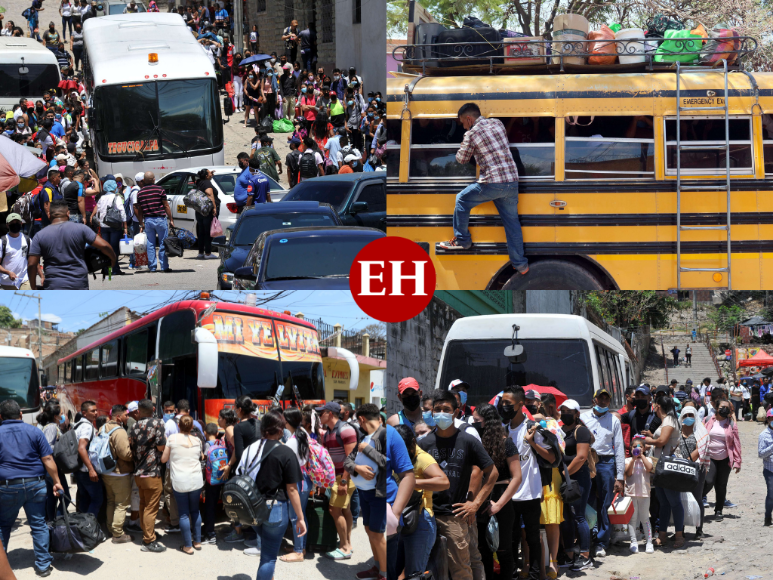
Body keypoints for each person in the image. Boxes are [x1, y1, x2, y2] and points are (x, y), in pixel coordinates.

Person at [437, 102, 528, 275]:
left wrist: (466, 140)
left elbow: (461, 159)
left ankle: (462, 240)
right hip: (512, 180)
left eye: (463, 123)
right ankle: (521, 264)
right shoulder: (497, 123)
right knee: (512, 223)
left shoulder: (471, 134)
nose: (463, 126)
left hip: (493, 182)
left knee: (462, 199)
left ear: (469, 119)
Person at [418, 389, 497, 580]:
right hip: (427, 513)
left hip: (454, 516)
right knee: (430, 568)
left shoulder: (467, 440)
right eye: (437, 409)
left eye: (446, 409)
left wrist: (475, 504)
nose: (441, 413)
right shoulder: (424, 443)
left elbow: (492, 473)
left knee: (461, 569)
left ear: (455, 412)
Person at [237, 410, 306, 580]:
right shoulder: (285, 452)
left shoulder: (250, 449)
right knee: (269, 557)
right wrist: (300, 517)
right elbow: (292, 490)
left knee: (267, 550)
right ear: (281, 430)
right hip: (275, 509)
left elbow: (239, 474)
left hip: (251, 508)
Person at [0, 400, 64, 578]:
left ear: (0, 417)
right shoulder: (34, 431)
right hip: (35, 485)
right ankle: (43, 565)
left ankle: (2, 566)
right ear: (20, 415)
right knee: (38, 525)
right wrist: (57, 481)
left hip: (7, 487)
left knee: (3, 526)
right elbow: (48, 459)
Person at [472, 403, 521, 580]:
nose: (473, 423)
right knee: (482, 551)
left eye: (477, 420)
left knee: (504, 550)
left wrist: (499, 505)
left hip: (501, 498)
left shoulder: (506, 443)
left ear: (487, 421)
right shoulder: (475, 441)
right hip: (480, 498)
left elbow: (517, 478)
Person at [392, 422, 448, 579]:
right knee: (393, 570)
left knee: (414, 574)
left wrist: (412, 482)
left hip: (420, 521)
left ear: (412, 444)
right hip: (399, 518)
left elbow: (444, 482)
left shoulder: (422, 458)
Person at [28, 199, 115, 289]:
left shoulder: (39, 235)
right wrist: (113, 260)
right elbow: (105, 246)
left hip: (54, 286)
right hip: (78, 285)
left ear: (49, 215)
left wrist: (33, 286)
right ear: (68, 213)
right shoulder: (81, 229)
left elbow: (31, 264)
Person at [581, 388, 625, 558]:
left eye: (606, 399)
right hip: (587, 461)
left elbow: (619, 448)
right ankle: (588, 539)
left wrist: (619, 477)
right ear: (594, 400)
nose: (603, 402)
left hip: (606, 463)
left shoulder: (614, 420)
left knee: (605, 504)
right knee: (587, 502)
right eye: (600, 399)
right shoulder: (583, 418)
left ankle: (601, 542)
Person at [343, 404, 387, 574]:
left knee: (377, 533)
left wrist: (367, 450)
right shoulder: (363, 437)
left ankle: (384, 573)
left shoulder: (384, 435)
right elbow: (348, 462)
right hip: (364, 493)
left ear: (361, 419)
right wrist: (358, 469)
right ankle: (377, 566)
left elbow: (388, 462)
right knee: (369, 530)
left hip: (378, 495)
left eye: (358, 421)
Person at [641, 395, 684, 548]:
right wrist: (651, 438)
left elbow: (662, 441)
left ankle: (679, 535)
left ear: (658, 405)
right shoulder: (664, 421)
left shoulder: (670, 420)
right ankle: (663, 534)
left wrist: (646, 441)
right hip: (659, 466)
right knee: (664, 503)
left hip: (669, 467)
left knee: (674, 502)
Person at [316, 401, 357, 560]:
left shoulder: (346, 430)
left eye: (322, 413)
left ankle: (345, 547)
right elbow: (327, 460)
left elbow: (350, 458)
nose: (319, 417)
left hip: (343, 478)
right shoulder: (327, 433)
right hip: (335, 477)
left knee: (335, 510)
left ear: (330, 414)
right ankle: (348, 543)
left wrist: (344, 482)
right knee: (344, 509)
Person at [128, 398, 167, 553]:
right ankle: (149, 541)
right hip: (152, 472)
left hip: (138, 473)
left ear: (139, 410)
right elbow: (161, 446)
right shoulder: (158, 423)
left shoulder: (134, 425)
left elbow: (131, 446)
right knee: (151, 508)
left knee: (144, 506)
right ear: (152, 409)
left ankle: (147, 533)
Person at [558, 399, 594, 571]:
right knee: (566, 517)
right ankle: (569, 554)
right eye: (562, 410)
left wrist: (565, 473)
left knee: (578, 516)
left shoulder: (582, 431)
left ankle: (585, 555)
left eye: (568, 411)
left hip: (578, 477)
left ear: (577, 414)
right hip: (564, 479)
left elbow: (581, 457)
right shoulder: (559, 430)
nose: (565, 413)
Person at [160, 415, 204, 555]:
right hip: (196, 479)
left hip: (180, 480)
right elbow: (201, 456)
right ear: (192, 427)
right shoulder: (197, 440)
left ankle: (188, 546)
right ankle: (197, 542)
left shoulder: (172, 439)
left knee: (183, 514)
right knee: (195, 511)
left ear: (179, 425)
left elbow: (164, 459)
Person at [222, 395, 261, 547]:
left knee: (238, 501)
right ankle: (255, 532)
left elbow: (239, 453)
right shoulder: (259, 423)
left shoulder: (239, 427)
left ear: (239, 409)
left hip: (245, 470)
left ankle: (238, 532)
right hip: (260, 468)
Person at [277, 408, 313, 562]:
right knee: (301, 513)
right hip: (305, 478)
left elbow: (287, 462)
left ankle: (298, 552)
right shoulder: (302, 433)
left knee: (296, 516)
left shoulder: (292, 441)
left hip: (298, 480)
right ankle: (301, 547)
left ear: (287, 421)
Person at [703, 398, 742, 522]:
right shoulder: (708, 420)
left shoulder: (731, 424)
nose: (725, 410)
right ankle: (697, 501)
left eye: (727, 408)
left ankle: (718, 510)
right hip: (710, 457)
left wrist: (737, 461)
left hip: (725, 459)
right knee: (708, 481)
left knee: (721, 485)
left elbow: (736, 443)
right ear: (716, 408)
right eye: (722, 407)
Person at [101, 404, 134, 544]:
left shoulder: (103, 427)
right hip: (119, 473)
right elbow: (125, 454)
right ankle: (118, 534)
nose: (128, 417)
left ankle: (110, 527)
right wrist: (134, 453)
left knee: (111, 501)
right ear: (118, 416)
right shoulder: (119, 431)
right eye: (126, 415)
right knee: (121, 504)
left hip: (106, 471)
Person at [679, 402, 710, 538]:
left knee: (697, 498)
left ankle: (699, 529)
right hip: (680, 469)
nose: (688, 417)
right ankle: (681, 530)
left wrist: (686, 460)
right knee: (681, 499)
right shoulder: (678, 432)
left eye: (691, 415)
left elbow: (700, 450)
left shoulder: (701, 432)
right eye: (685, 415)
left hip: (697, 469)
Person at [36, 402, 71, 522]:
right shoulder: (51, 427)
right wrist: (61, 447)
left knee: (52, 498)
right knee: (65, 497)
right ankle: (59, 521)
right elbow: (47, 447)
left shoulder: (50, 426)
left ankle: (52, 522)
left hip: (50, 468)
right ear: (55, 416)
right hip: (53, 467)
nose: (62, 416)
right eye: (61, 414)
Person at [133, 171, 174, 273]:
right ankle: (164, 267)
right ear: (154, 179)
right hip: (160, 219)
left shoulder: (140, 192)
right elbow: (166, 205)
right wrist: (171, 219)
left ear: (144, 180)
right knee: (162, 243)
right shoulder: (160, 189)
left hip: (148, 220)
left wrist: (141, 223)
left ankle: (152, 267)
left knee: (150, 244)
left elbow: (141, 209)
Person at [625, 435, 654, 553]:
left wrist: (641, 456)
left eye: (639, 447)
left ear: (644, 449)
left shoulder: (648, 459)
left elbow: (650, 468)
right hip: (631, 493)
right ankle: (633, 542)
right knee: (632, 519)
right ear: (630, 449)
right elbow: (628, 473)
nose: (637, 448)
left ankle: (649, 542)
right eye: (634, 447)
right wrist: (633, 458)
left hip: (644, 493)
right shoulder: (628, 460)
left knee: (645, 518)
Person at [72, 400, 102, 515]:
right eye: (92, 411)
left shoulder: (78, 424)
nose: (96, 413)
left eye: (96, 410)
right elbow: (81, 448)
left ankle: (82, 527)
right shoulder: (87, 426)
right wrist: (91, 469)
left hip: (79, 469)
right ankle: (89, 527)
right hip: (86, 471)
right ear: (84, 413)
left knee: (84, 499)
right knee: (97, 500)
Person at [95, 178, 128, 275]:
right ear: (114, 187)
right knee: (114, 248)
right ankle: (115, 269)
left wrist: (100, 223)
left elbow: (98, 212)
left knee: (105, 248)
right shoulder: (116, 197)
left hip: (104, 226)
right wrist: (125, 227)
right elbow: (122, 212)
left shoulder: (101, 198)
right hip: (115, 226)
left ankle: (106, 269)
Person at [201, 423, 227, 544]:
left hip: (210, 480)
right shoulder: (221, 443)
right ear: (217, 433)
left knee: (209, 506)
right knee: (214, 503)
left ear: (205, 433)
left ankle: (210, 533)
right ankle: (209, 528)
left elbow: (205, 459)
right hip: (220, 478)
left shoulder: (207, 444)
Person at [0, 213, 31, 289]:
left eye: (17, 223)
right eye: (12, 223)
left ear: (21, 224)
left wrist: (40, 274)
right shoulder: (2, 242)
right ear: (7, 225)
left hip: (24, 279)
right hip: (7, 282)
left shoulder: (27, 240)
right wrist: (8, 272)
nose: (15, 224)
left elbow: (32, 259)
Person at [194, 168, 219, 260]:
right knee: (208, 232)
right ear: (206, 176)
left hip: (200, 210)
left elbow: (206, 179)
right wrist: (214, 207)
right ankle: (208, 253)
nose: (211, 174)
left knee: (201, 232)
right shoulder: (207, 183)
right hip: (207, 211)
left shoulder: (200, 182)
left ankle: (201, 252)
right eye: (209, 173)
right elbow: (209, 194)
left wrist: (210, 174)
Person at [759, 408, 773, 527]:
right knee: (771, 494)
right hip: (770, 469)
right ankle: (768, 517)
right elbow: (761, 454)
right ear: (768, 420)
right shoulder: (764, 435)